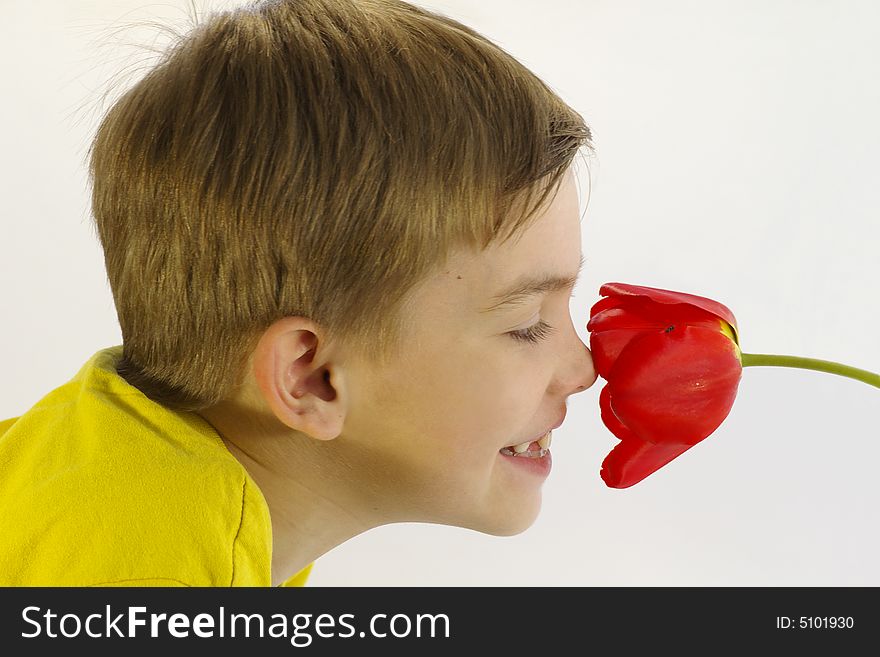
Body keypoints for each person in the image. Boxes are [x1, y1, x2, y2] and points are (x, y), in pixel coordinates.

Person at [0, 0, 596, 587]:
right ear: (311, 377)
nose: (585, 368)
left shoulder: (117, 467)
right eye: (526, 324)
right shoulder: (149, 573)